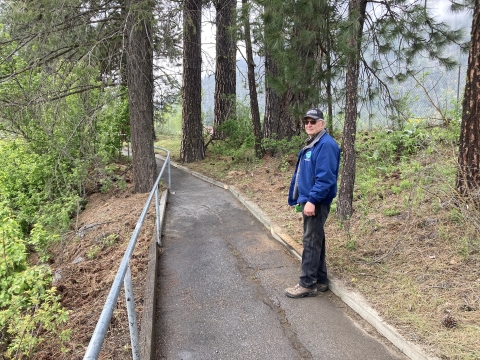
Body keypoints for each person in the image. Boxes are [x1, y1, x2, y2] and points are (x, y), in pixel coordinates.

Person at [285, 108, 340, 298]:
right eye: (306, 121)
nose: (308, 124)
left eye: (313, 121)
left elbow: (326, 179)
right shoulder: (314, 144)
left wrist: (312, 201)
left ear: (322, 124)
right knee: (317, 239)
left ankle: (306, 283)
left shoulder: (326, 145)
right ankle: (321, 279)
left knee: (310, 241)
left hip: (316, 202)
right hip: (310, 200)